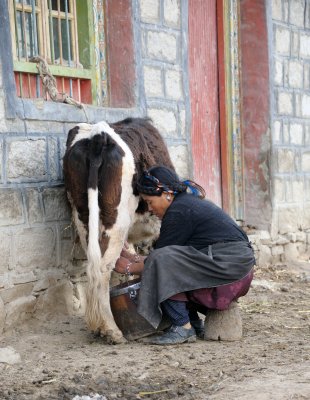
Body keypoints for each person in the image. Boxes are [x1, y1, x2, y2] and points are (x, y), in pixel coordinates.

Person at [114, 166, 256, 345]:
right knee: (168, 261)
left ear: (167, 194)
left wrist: (128, 268)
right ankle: (194, 323)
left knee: (164, 263)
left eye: (150, 202)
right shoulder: (185, 204)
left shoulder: (178, 211)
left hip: (229, 269)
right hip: (235, 268)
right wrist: (133, 257)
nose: (150, 209)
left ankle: (182, 327)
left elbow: (161, 260)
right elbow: (170, 258)